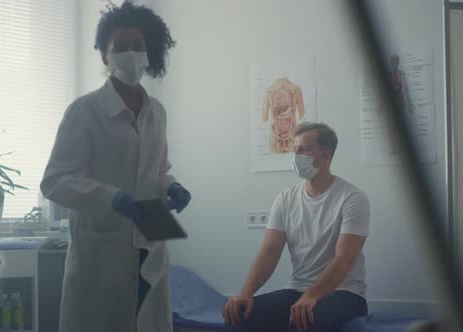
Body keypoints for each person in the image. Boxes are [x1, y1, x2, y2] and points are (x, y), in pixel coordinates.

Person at [40, 2, 191, 331]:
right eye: (119, 47)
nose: (130, 54)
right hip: (102, 247)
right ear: (104, 57)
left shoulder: (157, 112)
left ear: (150, 52)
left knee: (149, 319)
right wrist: (111, 197)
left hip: (150, 239)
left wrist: (172, 186)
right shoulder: (85, 111)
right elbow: (55, 181)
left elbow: (158, 169)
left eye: (138, 46)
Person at [222, 122, 369, 332]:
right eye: (295, 149)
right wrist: (246, 292)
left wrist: (311, 296)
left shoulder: (352, 198)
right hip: (297, 290)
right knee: (237, 316)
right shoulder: (285, 199)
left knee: (307, 321)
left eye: (304, 149)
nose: (296, 156)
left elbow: (344, 259)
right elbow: (269, 251)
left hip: (346, 293)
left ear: (325, 155)